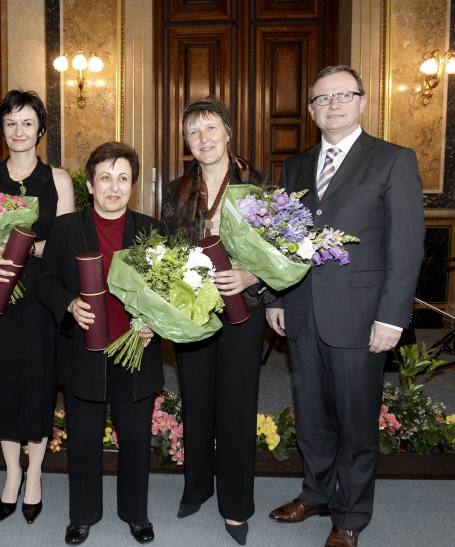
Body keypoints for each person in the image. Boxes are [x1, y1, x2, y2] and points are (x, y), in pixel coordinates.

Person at [266, 66, 424, 547]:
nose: (332, 104)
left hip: (361, 317)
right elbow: (277, 240)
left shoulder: (394, 160)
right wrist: (275, 296)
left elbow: (407, 246)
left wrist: (392, 316)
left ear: (361, 102)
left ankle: (351, 516)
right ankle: (315, 494)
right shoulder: (294, 167)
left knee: (356, 421)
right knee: (310, 413)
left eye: (342, 95)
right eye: (321, 99)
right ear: (311, 111)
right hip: (301, 312)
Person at [38, 142, 163, 545]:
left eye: (123, 178)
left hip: (135, 351)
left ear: (133, 185)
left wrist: (156, 325)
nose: (114, 187)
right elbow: (45, 282)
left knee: (136, 437)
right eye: (105, 178)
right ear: (90, 184)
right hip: (84, 352)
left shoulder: (151, 230)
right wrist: (69, 303)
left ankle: (135, 513)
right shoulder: (65, 228)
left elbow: (171, 293)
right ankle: (83, 514)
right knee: (85, 437)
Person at [161, 98, 273, 546]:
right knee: (196, 398)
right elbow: (166, 250)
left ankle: (236, 506)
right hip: (194, 307)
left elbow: (279, 247)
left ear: (228, 132)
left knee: (237, 403)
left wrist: (251, 274)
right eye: (193, 132)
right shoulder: (176, 189)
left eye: (211, 129)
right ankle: (197, 488)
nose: (203, 139)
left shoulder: (259, 183)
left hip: (243, 306)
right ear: (186, 141)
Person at [0, 90, 74, 523]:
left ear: (41, 130)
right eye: (11, 123)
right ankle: (12, 473)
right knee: (0, 383)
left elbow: (67, 246)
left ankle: (35, 475)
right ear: (2, 129)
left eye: (27, 123)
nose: (18, 131)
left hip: (39, 296)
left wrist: (27, 249)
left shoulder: (60, 181)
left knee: (36, 384)